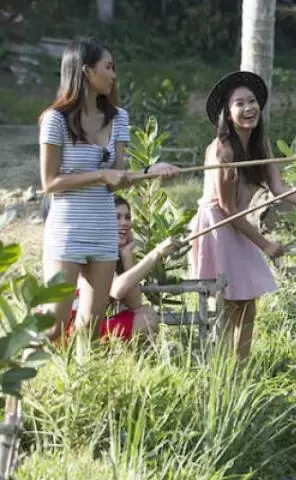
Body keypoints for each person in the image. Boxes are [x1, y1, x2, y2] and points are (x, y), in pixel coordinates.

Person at [188, 71, 296, 362]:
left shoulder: (261, 144)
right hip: (219, 226)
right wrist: (266, 245)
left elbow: (279, 189)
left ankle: (242, 369)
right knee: (229, 304)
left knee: (249, 304)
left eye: (252, 101)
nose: (248, 108)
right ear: (227, 111)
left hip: (239, 223)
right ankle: (220, 373)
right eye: (239, 103)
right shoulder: (223, 150)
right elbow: (226, 208)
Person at [37, 37, 180, 341]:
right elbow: (49, 183)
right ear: (86, 70)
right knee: (53, 327)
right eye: (108, 67)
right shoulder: (55, 120)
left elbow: (120, 175)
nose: (114, 75)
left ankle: (80, 387)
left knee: (89, 329)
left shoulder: (119, 119)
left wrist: (149, 173)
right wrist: (100, 174)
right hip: (68, 229)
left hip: (102, 229)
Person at [59, 196, 184, 343]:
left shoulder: (115, 253)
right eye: (116, 217)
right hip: (68, 331)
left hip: (87, 327)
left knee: (147, 313)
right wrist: (156, 254)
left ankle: (130, 362)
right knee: (145, 321)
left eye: (127, 217)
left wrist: (127, 256)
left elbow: (134, 302)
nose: (124, 223)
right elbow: (116, 290)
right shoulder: (95, 249)